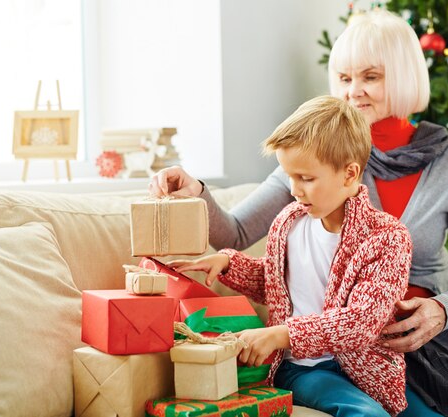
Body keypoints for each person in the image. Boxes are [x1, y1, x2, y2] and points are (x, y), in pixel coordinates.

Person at [151, 9, 448, 417]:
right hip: (369, 328)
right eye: (344, 78)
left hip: (441, 315)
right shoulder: (323, 157)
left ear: (402, 77)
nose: (353, 91)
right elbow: (237, 233)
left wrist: (443, 310)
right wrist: (198, 193)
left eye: (371, 77)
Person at [169, 94, 412, 417]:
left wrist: (280, 334)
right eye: (289, 176)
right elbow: (278, 282)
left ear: (349, 174)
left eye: (306, 179)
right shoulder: (290, 221)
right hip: (302, 368)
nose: (294, 190)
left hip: (367, 372)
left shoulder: (387, 237)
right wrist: (229, 263)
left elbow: (360, 321)